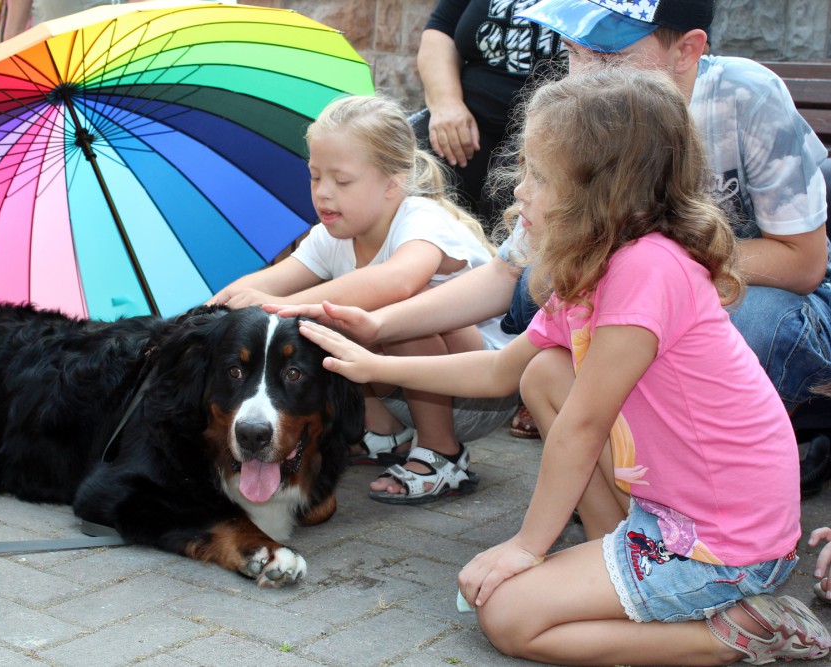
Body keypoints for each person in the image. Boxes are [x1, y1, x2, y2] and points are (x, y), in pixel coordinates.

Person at [297, 67, 830, 665]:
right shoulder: (596, 265)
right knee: (545, 372)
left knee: (508, 617)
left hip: (723, 543)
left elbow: (582, 426)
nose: (520, 191)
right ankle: (614, 556)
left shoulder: (647, 269)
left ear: (602, 190)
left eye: (540, 176)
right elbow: (500, 373)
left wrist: (528, 546)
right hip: (674, 511)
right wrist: (371, 363)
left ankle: (739, 631)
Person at [281, 0, 831, 451]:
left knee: (747, 322)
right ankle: (619, 455)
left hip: (770, 298)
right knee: (537, 283)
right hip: (638, 287)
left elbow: (803, 263)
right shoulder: (588, 120)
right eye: (573, 53)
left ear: (687, 50)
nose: (585, 76)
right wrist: (379, 326)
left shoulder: (743, 98)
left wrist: (647, 267)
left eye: (609, 57)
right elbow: (505, 273)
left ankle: (747, 450)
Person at [210, 94, 518, 504]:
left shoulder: (422, 218)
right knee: (331, 321)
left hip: (481, 393)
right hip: (409, 392)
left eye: (341, 181)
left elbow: (399, 281)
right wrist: (210, 314)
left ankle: (442, 452)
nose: (323, 193)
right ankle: (384, 433)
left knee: (385, 308)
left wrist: (288, 305)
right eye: (315, 176)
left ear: (392, 182)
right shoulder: (330, 235)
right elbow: (267, 283)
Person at [412, 0, 562, 226]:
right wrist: (446, 103)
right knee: (412, 159)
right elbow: (441, 31)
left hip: (554, 123)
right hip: (468, 117)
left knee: (511, 182)